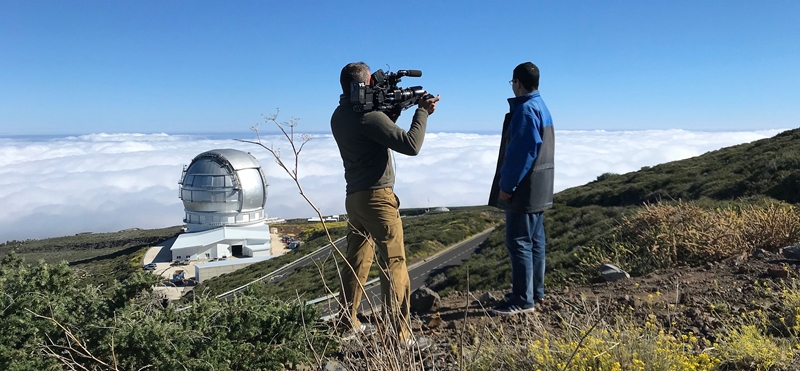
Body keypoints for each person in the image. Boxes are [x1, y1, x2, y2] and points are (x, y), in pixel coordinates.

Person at [330, 62, 440, 347]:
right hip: (378, 199)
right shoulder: (370, 118)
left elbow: (372, 128)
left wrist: (388, 111)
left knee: (356, 262)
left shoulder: (339, 116)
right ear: (363, 85)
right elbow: (411, 145)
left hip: (353, 198)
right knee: (394, 263)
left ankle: (347, 322)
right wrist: (422, 112)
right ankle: (400, 336)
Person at [488, 62, 554, 315]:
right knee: (535, 242)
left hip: (525, 189)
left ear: (517, 82)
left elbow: (521, 152)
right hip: (541, 187)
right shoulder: (542, 106)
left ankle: (522, 300)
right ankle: (534, 292)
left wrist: (507, 184)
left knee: (518, 242)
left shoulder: (525, 110)